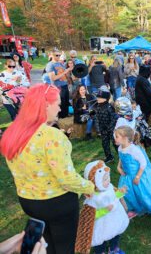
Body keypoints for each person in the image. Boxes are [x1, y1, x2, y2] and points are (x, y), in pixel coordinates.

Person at [0, 84, 95, 254]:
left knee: (42, 244)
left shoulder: (13, 132)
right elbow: (67, 178)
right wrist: (89, 187)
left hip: (28, 201)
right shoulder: (51, 136)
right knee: (64, 248)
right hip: (58, 203)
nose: (60, 108)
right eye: (57, 104)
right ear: (45, 106)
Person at [115, 126, 151, 226]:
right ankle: (136, 208)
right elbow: (121, 156)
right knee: (129, 194)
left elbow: (143, 163)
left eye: (117, 136)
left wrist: (138, 177)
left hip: (139, 176)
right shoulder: (120, 147)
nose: (115, 138)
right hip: (127, 176)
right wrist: (119, 167)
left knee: (146, 195)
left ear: (125, 138)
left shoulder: (134, 149)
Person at [82, 161, 129, 254]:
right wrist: (104, 210)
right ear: (95, 182)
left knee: (116, 232)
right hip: (101, 224)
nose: (108, 181)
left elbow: (113, 197)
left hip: (114, 218)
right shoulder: (93, 198)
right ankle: (99, 252)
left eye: (108, 177)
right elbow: (91, 214)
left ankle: (113, 248)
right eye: (104, 179)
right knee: (101, 239)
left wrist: (120, 192)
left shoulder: (109, 187)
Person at [94, 87, 118, 163]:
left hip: (111, 129)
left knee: (116, 143)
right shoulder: (98, 107)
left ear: (105, 99)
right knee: (105, 144)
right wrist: (99, 130)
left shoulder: (109, 107)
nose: (97, 98)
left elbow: (113, 119)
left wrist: (109, 129)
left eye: (99, 97)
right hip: (103, 130)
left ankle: (122, 156)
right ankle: (109, 157)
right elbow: (97, 119)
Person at [46, 49, 72, 118]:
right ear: (52, 55)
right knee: (61, 103)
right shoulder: (50, 65)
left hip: (64, 85)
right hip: (57, 87)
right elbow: (53, 78)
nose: (58, 56)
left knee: (66, 101)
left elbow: (65, 74)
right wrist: (64, 72)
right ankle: (61, 117)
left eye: (59, 55)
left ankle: (66, 114)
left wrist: (68, 71)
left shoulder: (60, 64)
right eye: (56, 55)